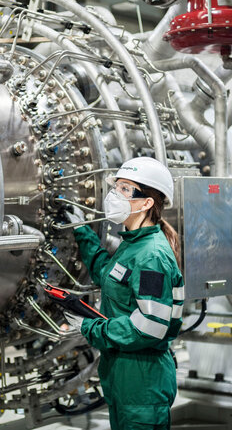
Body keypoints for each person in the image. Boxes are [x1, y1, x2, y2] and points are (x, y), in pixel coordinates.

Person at [64, 156, 184, 430]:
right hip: (123, 373)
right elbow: (108, 274)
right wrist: (82, 231)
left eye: (126, 190)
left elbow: (149, 327)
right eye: (116, 187)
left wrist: (92, 328)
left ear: (147, 203)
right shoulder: (133, 245)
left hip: (142, 379)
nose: (114, 195)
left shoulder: (151, 255)